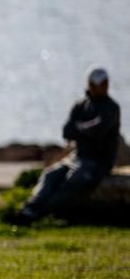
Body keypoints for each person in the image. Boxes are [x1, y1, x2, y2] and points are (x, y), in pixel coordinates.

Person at [17, 67, 121, 224]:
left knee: (74, 181)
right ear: (90, 84)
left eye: (103, 84)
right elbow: (67, 131)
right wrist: (84, 130)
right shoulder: (80, 105)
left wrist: (78, 129)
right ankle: (31, 207)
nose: (101, 87)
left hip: (98, 162)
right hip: (77, 157)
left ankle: (40, 212)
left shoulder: (111, 108)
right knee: (50, 174)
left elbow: (97, 130)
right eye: (97, 84)